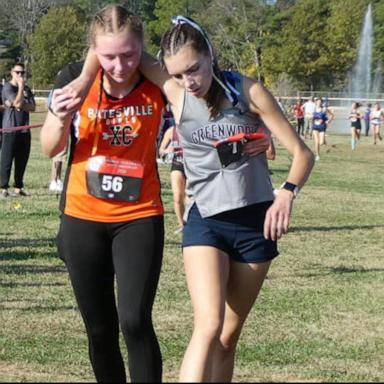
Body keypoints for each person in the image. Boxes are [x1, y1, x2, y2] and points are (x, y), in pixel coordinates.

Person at [63, 15, 314, 383]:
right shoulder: (175, 91)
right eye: (177, 74)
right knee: (208, 325)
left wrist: (286, 194)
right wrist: (86, 79)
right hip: (206, 222)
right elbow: (111, 46)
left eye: (194, 69)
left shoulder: (247, 91)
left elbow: (302, 154)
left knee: (227, 338)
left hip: (254, 223)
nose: (188, 81)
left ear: (210, 55)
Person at [40, 6, 166, 382]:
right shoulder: (73, 80)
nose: (120, 65)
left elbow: (188, 90)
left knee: (134, 320)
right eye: (108, 56)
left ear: (141, 49)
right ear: (93, 52)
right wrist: (61, 117)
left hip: (139, 215)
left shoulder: (155, 81)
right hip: (83, 217)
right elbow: (49, 147)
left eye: (128, 54)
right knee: (99, 328)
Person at [0, 63, 36, 198]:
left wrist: (21, 103)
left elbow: (32, 107)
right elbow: (17, 104)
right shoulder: (7, 88)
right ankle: (3, 188)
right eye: (18, 72)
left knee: (22, 160)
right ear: (12, 72)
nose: (20, 75)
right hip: (11, 129)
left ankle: (18, 187)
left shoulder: (27, 89)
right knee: (7, 160)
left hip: (24, 130)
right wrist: (20, 87)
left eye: (22, 73)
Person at [158, 123, 186, 234]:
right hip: (177, 164)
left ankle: (190, 223)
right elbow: (161, 151)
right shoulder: (171, 131)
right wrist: (167, 151)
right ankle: (182, 224)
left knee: (188, 197)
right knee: (177, 196)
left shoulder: (193, 127)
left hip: (192, 166)